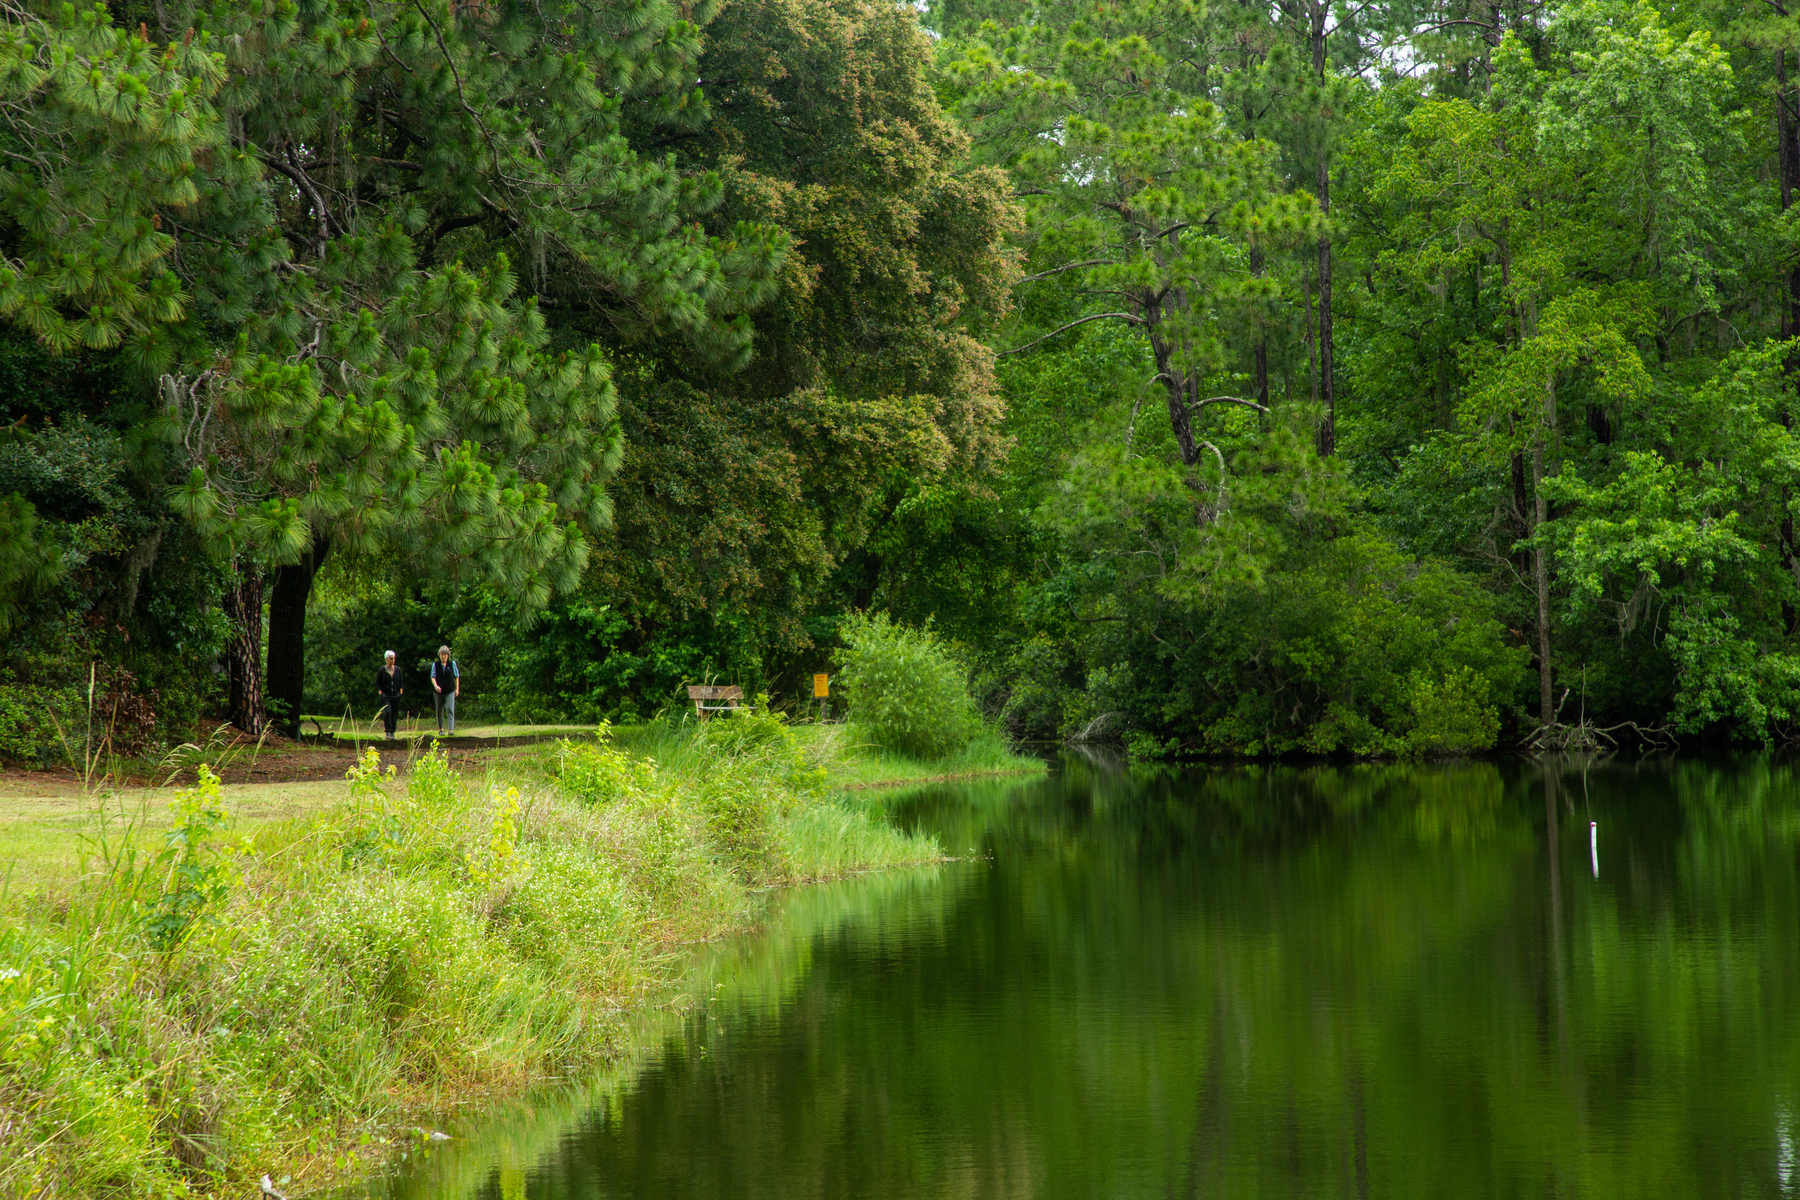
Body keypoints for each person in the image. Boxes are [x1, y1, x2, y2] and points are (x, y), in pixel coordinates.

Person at [431, 644, 460, 736]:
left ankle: (450, 729)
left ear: (448, 655)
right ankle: (441, 729)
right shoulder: (435, 664)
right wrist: (436, 686)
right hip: (439, 691)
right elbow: (433, 677)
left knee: (449, 708)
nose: (443, 656)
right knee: (439, 709)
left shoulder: (452, 664)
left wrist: (457, 689)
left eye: (444, 654)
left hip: (450, 690)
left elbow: (456, 676)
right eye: (441, 654)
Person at [376, 650, 404, 739]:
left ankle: (392, 732)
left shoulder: (398, 670)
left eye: (394, 658)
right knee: (387, 711)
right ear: (386, 659)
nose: (393, 660)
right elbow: (378, 682)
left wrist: (400, 692)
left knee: (394, 713)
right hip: (385, 695)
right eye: (391, 658)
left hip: (396, 695)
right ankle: (387, 731)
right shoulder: (382, 670)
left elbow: (401, 682)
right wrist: (380, 692)